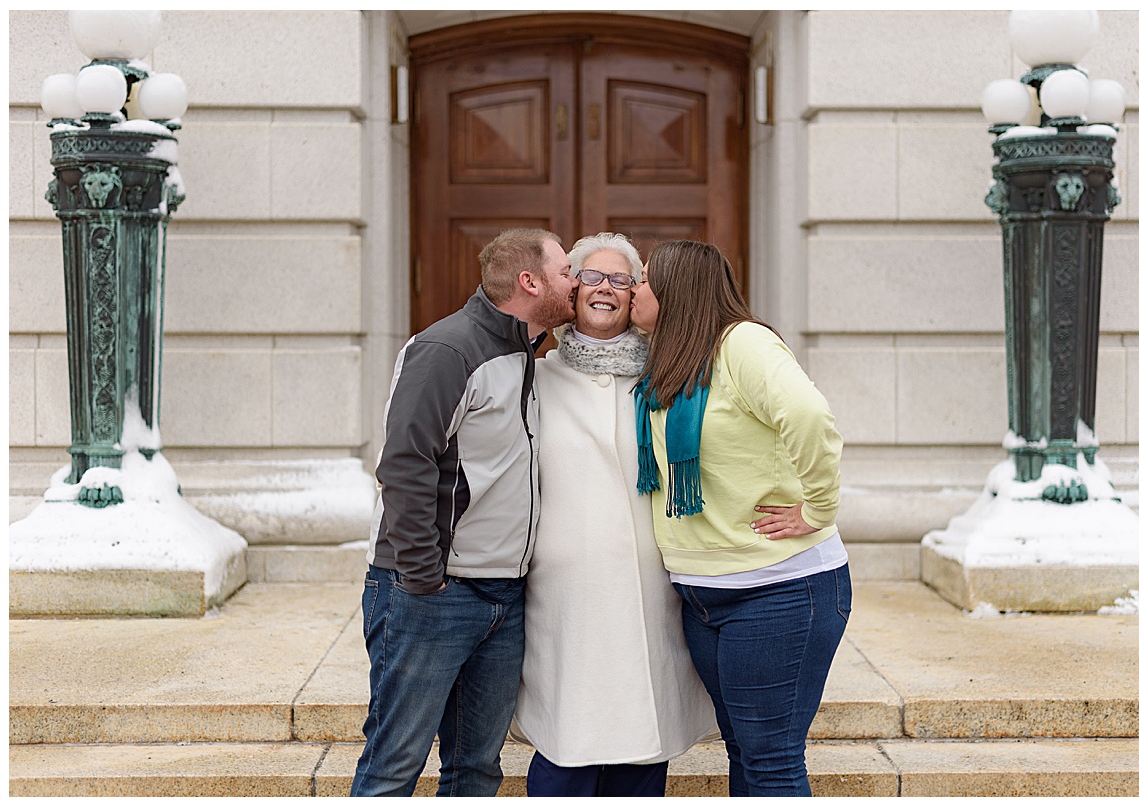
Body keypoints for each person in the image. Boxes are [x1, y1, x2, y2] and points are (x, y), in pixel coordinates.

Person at [351, 228, 579, 797]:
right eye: (566, 271)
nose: (576, 283)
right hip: (436, 595)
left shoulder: (528, 352)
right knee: (393, 765)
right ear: (530, 281)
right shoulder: (447, 349)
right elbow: (403, 466)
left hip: (504, 598)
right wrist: (424, 579)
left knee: (476, 770)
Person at [628, 239, 850, 797]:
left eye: (645, 278)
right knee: (744, 750)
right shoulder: (670, 358)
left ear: (676, 290)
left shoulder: (742, 344)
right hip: (701, 595)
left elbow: (808, 415)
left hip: (778, 589)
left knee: (770, 758)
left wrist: (817, 509)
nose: (633, 287)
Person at [511, 233, 717, 797]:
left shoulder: (670, 380)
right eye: (593, 277)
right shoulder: (534, 379)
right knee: (566, 741)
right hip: (564, 593)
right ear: (572, 292)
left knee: (641, 737)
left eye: (622, 279)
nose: (606, 288)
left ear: (637, 296)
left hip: (652, 588)